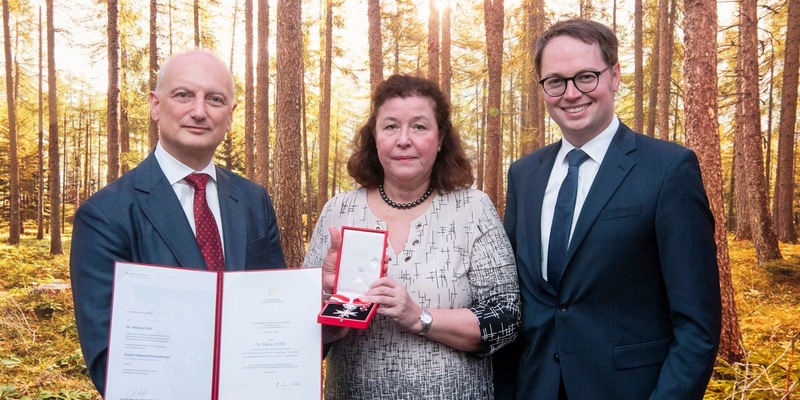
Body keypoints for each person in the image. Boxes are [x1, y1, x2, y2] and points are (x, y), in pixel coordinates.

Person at [493, 18, 722, 399]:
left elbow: (697, 323)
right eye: (555, 81)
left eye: (586, 76)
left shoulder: (668, 169)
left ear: (614, 76)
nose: (571, 93)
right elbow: (518, 300)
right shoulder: (524, 176)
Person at [69, 49, 286, 395]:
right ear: (156, 105)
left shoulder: (253, 201)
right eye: (184, 95)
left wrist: (329, 306)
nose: (199, 111)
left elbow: (278, 325)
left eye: (215, 99)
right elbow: (108, 362)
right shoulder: (105, 214)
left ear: (230, 116)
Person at [303, 74, 520, 399]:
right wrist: (326, 296)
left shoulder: (472, 208)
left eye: (419, 126)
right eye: (390, 126)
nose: (404, 139)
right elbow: (302, 331)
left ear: (441, 136)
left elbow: (506, 317)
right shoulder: (340, 210)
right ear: (374, 136)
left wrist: (420, 317)